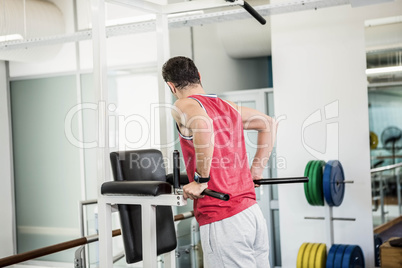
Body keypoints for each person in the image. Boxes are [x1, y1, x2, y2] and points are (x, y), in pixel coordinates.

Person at [162, 56, 277, 267]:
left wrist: (201, 180)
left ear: (171, 86)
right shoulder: (227, 106)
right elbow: (268, 124)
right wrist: (256, 172)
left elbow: (203, 126)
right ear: (199, 77)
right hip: (251, 213)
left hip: (223, 217)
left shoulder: (182, 105)